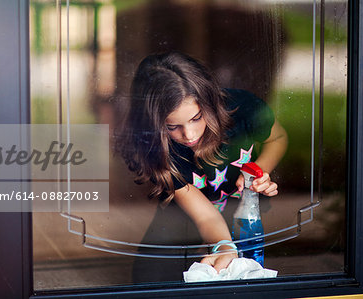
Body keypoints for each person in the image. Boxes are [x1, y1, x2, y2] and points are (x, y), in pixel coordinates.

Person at [117, 51, 288, 282]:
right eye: (172, 126)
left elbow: (277, 139)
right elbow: (205, 216)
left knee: (244, 274)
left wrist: (257, 171)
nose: (189, 135)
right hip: (183, 215)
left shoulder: (244, 107)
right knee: (149, 281)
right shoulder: (156, 148)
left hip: (239, 209)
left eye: (196, 118)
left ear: (210, 102)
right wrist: (224, 247)